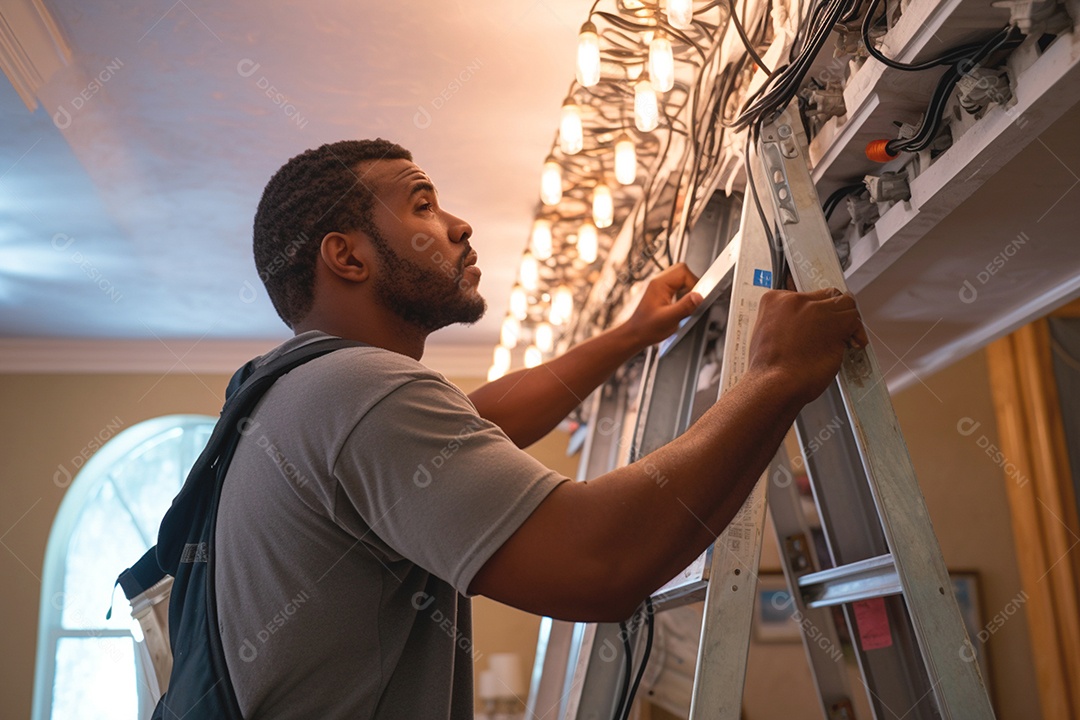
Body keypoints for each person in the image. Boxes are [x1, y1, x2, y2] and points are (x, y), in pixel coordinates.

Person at [215, 138, 867, 719]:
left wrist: (630, 336)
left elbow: (479, 418)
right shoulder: (356, 392)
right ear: (347, 257)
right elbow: (601, 563)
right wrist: (776, 375)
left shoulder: (290, 392)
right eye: (422, 205)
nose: (460, 225)